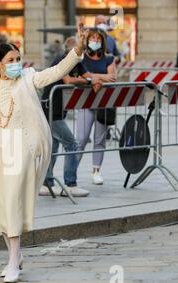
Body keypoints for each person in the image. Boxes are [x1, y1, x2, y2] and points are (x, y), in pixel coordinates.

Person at [0, 24, 88, 283]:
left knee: (12, 200)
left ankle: (13, 261)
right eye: (10, 60)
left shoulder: (29, 77)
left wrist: (78, 50)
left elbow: (56, 71)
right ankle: (16, 253)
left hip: (22, 147)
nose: (16, 64)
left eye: (18, 59)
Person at [39, 36, 103, 198]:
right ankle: (70, 183)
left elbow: (88, 75)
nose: (83, 52)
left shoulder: (78, 60)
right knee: (71, 144)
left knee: (53, 148)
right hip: (50, 110)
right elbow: (67, 80)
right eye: (80, 48)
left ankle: (46, 183)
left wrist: (95, 79)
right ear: (70, 49)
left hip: (59, 110)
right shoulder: (62, 59)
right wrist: (88, 81)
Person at [76, 28, 117, 185]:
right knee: (81, 138)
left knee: (99, 139)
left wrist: (93, 78)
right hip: (85, 103)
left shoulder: (108, 58)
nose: (95, 41)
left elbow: (112, 77)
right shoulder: (82, 58)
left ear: (103, 41)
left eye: (98, 38)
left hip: (103, 104)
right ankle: (72, 171)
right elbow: (79, 75)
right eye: (92, 38)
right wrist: (101, 77)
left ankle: (96, 171)